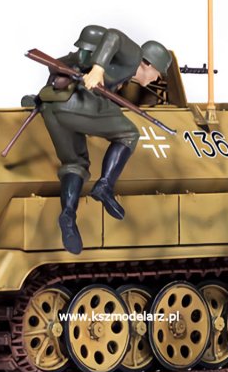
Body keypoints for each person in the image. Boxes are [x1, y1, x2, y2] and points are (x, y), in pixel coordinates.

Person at [37, 26, 173, 254]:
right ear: (147, 63)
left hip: (52, 109)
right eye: (158, 72)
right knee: (129, 133)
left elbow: (58, 65)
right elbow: (114, 35)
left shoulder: (103, 63)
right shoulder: (133, 56)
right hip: (76, 105)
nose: (157, 78)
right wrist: (98, 70)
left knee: (75, 164)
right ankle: (104, 186)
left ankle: (68, 215)